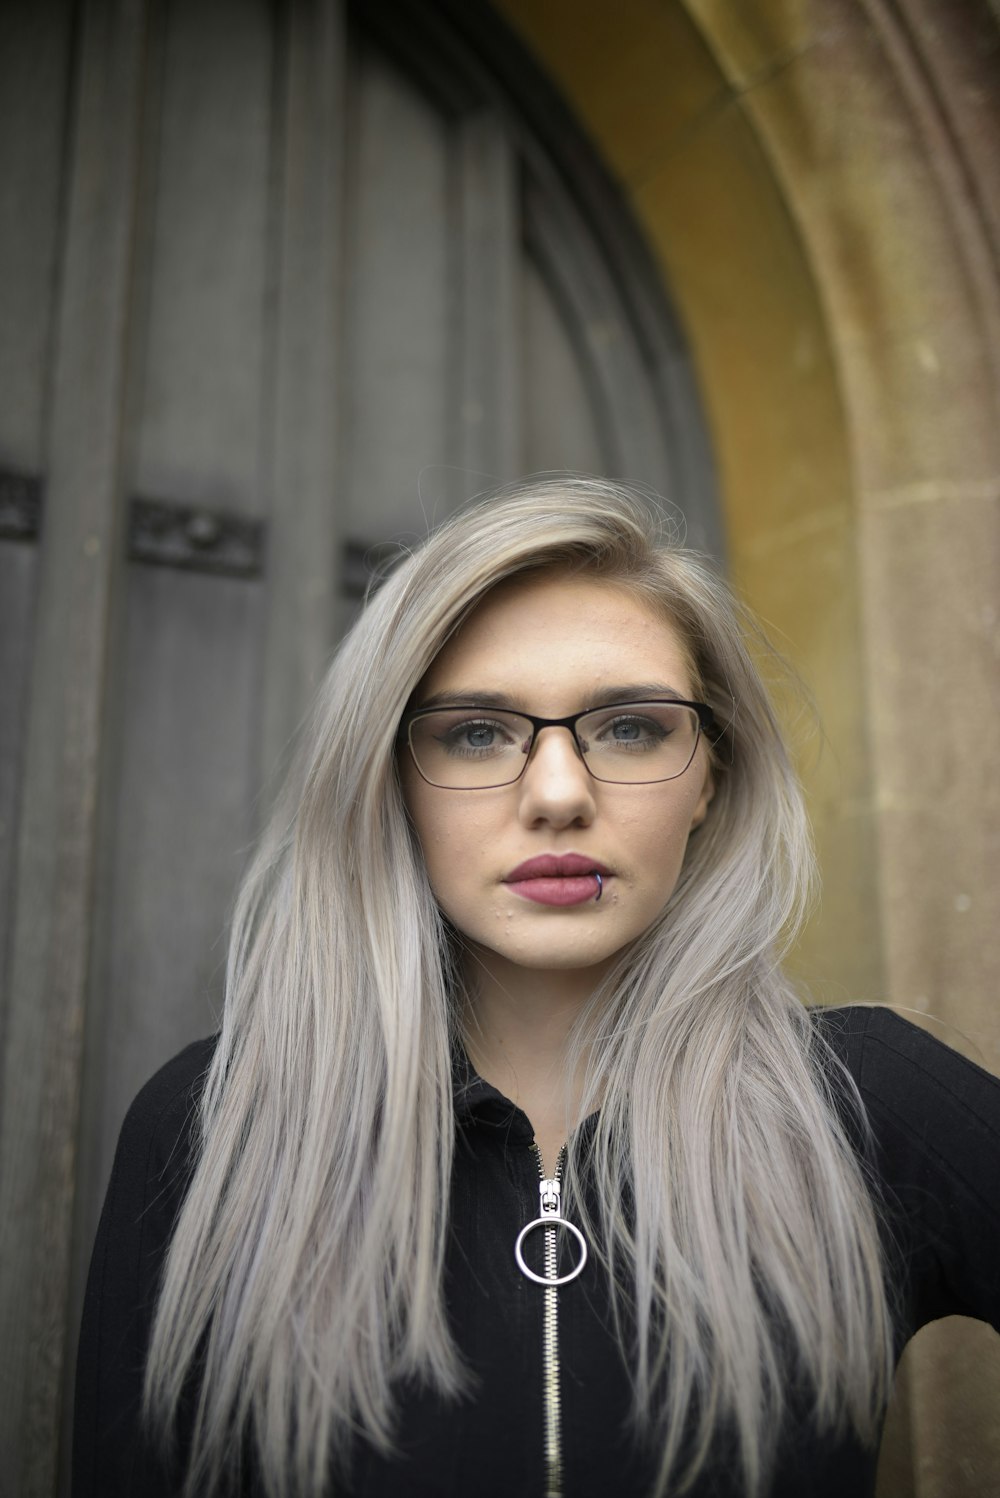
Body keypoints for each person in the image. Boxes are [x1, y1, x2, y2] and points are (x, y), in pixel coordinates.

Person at [73, 476, 1000, 1498]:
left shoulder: (871, 1105)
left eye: (631, 727)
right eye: (475, 732)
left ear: (711, 779)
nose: (558, 794)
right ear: (389, 779)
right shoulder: (213, 1128)